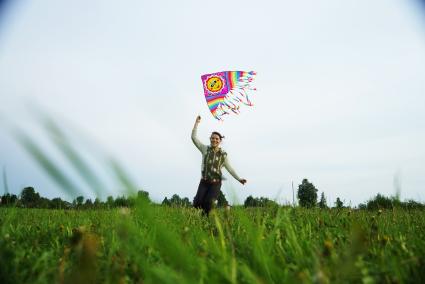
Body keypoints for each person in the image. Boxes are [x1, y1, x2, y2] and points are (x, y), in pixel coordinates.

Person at [191, 115, 247, 215]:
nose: (214, 140)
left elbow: (230, 169)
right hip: (204, 182)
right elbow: (193, 138)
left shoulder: (223, 155)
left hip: (215, 183)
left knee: (208, 204)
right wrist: (196, 123)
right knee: (197, 204)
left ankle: (208, 219)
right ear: (210, 139)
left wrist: (239, 179)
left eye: (217, 139)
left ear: (220, 141)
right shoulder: (205, 149)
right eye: (212, 138)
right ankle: (219, 206)